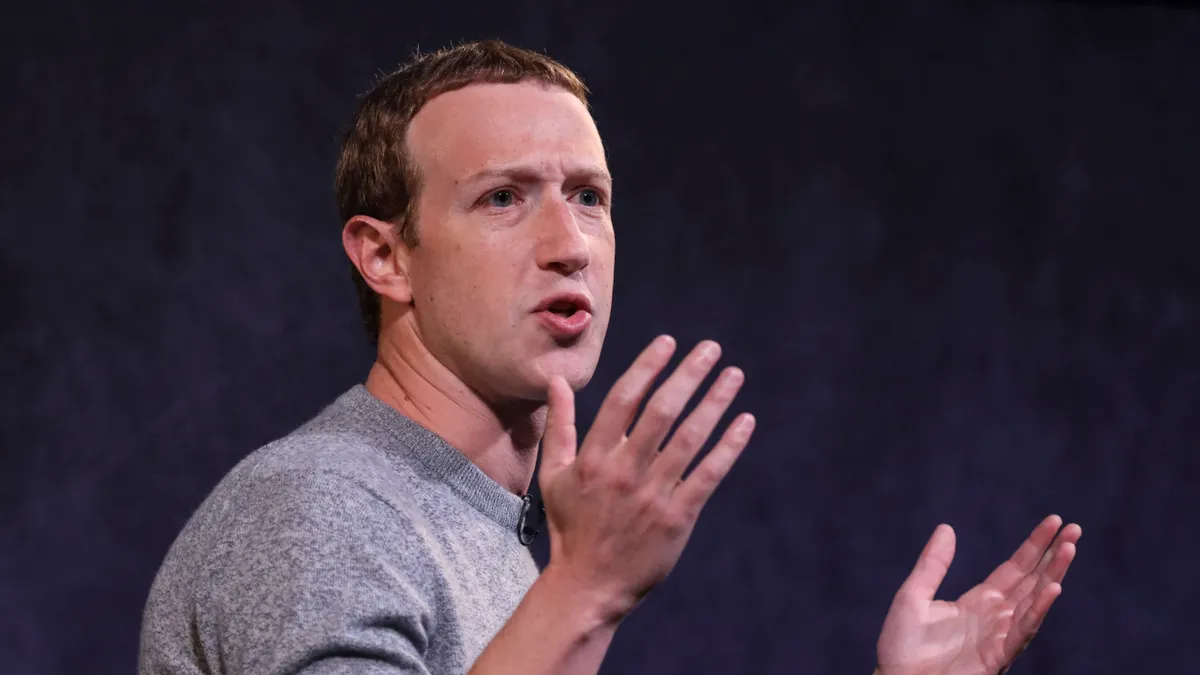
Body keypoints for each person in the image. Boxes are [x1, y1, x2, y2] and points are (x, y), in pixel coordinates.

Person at [139, 39, 1081, 675]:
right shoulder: (320, 509)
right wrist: (587, 588)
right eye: (504, 198)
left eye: (589, 197)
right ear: (386, 256)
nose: (570, 243)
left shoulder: (495, 543)